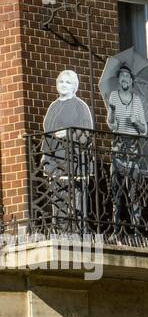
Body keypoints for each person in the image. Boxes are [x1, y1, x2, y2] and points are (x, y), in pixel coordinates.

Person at [41, 70, 95, 227]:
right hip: (55, 159)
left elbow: (87, 132)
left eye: (68, 82)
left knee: (76, 198)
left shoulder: (80, 106)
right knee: (58, 196)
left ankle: (78, 230)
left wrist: (69, 133)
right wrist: (45, 155)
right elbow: (47, 132)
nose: (64, 85)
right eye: (61, 81)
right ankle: (60, 228)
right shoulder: (53, 106)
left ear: (75, 86)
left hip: (74, 160)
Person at [107, 63, 148, 233]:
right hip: (118, 150)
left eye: (127, 76)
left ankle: (136, 228)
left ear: (131, 81)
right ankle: (116, 228)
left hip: (133, 152)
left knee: (134, 192)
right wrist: (111, 115)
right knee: (116, 193)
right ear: (119, 79)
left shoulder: (137, 100)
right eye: (122, 76)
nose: (124, 79)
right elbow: (111, 124)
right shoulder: (113, 97)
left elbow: (144, 129)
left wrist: (135, 121)